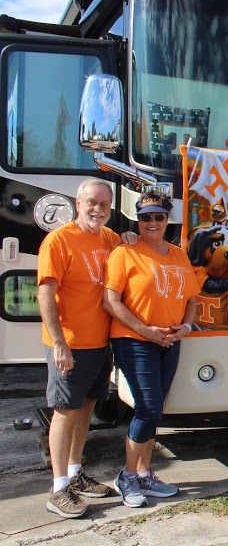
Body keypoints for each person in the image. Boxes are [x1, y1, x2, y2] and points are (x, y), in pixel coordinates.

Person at [37, 177, 136, 518]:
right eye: (91, 202)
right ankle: (59, 488)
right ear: (77, 204)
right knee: (65, 411)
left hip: (99, 344)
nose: (98, 209)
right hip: (70, 345)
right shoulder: (58, 242)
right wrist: (60, 345)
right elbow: (46, 294)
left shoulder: (108, 238)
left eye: (104, 205)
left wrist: (130, 238)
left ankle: (76, 472)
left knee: (84, 410)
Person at [103, 191, 200, 508]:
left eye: (158, 217)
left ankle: (145, 474)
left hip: (170, 341)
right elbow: (111, 301)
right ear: (138, 220)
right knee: (147, 408)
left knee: (156, 409)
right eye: (145, 217)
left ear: (167, 219)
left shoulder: (179, 255)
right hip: (134, 340)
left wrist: (185, 327)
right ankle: (127, 476)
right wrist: (146, 331)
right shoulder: (125, 252)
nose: (152, 222)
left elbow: (191, 300)